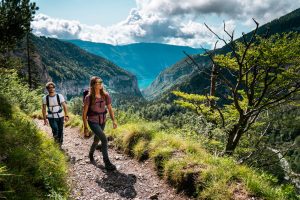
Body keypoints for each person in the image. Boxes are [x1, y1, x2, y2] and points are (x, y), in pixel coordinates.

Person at [82, 76, 118, 171]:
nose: (101, 84)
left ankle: (90, 153)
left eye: (101, 82)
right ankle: (107, 163)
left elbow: (110, 109)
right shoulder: (89, 97)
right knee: (104, 140)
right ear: (93, 85)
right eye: (98, 83)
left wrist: (114, 120)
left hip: (103, 121)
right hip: (93, 122)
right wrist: (85, 127)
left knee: (97, 140)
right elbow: (84, 114)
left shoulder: (106, 95)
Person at [42, 82, 69, 147]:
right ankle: (56, 143)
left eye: (52, 87)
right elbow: (43, 109)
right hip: (51, 117)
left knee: (60, 130)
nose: (51, 89)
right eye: (49, 88)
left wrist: (66, 115)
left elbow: (64, 106)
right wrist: (45, 119)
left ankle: (60, 143)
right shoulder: (45, 98)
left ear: (54, 88)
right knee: (55, 129)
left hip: (60, 116)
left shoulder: (59, 96)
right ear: (47, 89)